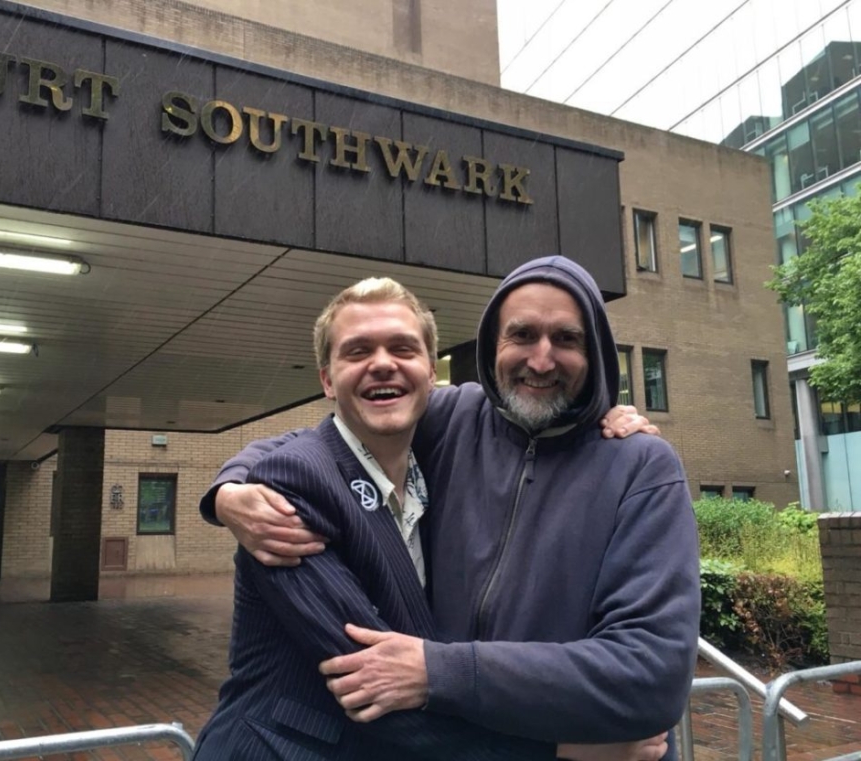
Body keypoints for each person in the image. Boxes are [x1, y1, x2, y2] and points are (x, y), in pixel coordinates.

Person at [203, 257, 700, 760]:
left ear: (596, 354)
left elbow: (651, 675)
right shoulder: (454, 417)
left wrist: (435, 671)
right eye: (522, 335)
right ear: (493, 345)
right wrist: (228, 491)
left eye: (567, 339)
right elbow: (322, 443)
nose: (542, 360)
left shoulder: (641, 466)